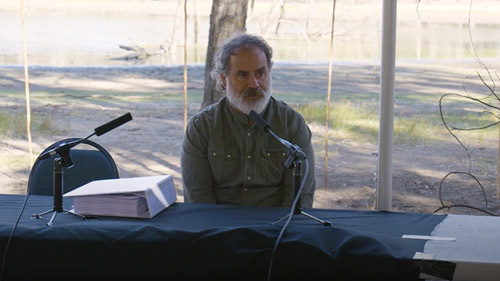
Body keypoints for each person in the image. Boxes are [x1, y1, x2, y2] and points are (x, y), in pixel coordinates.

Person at [181, 33, 315, 208]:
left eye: (260, 73)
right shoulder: (201, 128)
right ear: (223, 79)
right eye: (243, 75)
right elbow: (198, 202)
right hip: (220, 229)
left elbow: (299, 200)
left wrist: (280, 233)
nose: (254, 84)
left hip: (278, 229)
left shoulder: (292, 124)